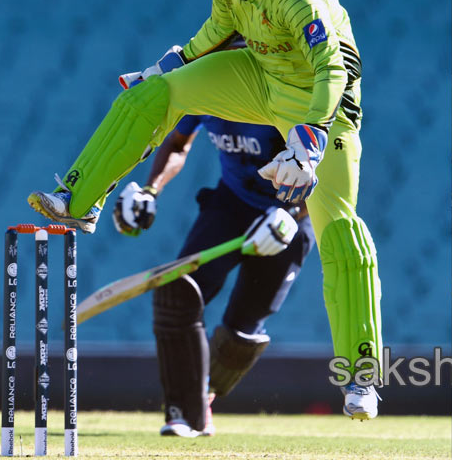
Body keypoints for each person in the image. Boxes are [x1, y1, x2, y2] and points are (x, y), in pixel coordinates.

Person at [29, 0, 382, 418]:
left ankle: (360, 379)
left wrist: (310, 137)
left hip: (321, 103)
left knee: (343, 235)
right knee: (150, 95)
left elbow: (333, 66)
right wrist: (160, 68)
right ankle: (79, 200)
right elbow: (213, 34)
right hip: (260, 79)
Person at [113, 115, 315, 436]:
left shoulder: (280, 92)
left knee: (242, 332)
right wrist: (151, 191)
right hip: (231, 205)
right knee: (178, 292)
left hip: (290, 217)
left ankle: (204, 399)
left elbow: (328, 167)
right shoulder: (204, 82)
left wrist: (292, 213)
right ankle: (184, 411)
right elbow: (178, 143)